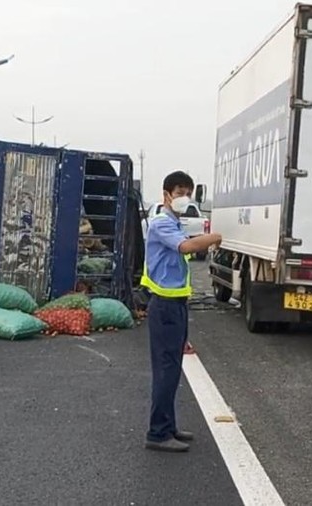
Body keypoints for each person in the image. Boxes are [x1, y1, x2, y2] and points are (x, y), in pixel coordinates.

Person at [141, 171, 222, 452]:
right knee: (166, 370)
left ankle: (168, 425)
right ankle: (158, 433)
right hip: (164, 306)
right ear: (166, 195)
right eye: (178, 192)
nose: (183, 198)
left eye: (187, 192)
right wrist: (212, 236)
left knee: (172, 370)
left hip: (174, 305)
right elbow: (186, 246)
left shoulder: (174, 223)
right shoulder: (162, 223)